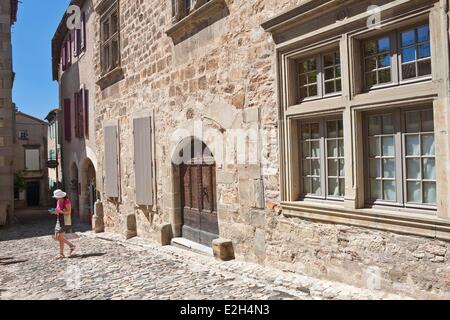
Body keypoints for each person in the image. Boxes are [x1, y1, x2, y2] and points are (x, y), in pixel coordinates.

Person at [50, 189, 76, 259]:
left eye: (56, 197)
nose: (55, 198)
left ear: (61, 196)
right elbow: (58, 210)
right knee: (57, 237)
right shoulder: (58, 201)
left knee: (59, 236)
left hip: (66, 221)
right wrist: (54, 211)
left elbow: (68, 212)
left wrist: (60, 211)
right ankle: (71, 246)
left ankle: (61, 253)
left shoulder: (67, 201)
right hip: (59, 220)